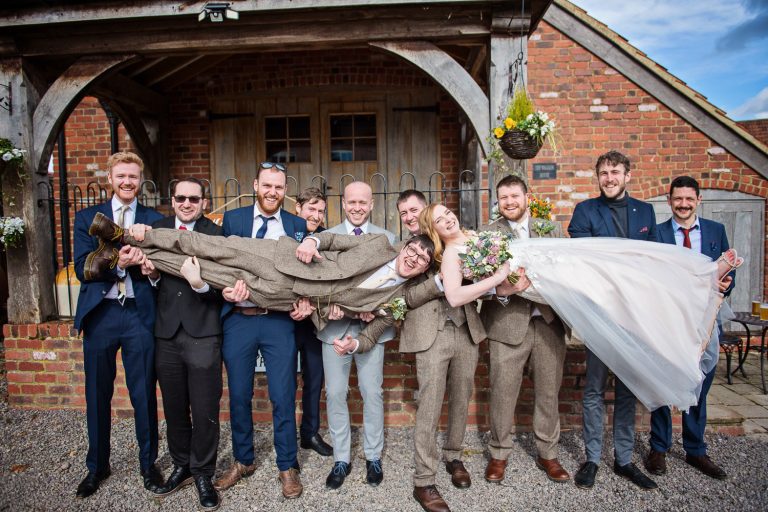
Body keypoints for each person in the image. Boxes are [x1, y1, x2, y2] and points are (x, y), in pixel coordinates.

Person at [419, 201, 739, 479]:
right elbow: (456, 295)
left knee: (609, 273)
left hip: (539, 267)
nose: (447, 219)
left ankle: (701, 279)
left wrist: (503, 279)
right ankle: (686, 301)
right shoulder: (451, 253)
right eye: (439, 219)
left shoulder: (478, 234)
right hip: (532, 283)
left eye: (447, 212)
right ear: (433, 230)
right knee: (602, 290)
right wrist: (500, 282)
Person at [72, 151, 164, 499]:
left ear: (141, 181)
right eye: (121, 176)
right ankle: (97, 466)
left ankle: (148, 464)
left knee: (143, 394)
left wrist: (149, 271)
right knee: (97, 393)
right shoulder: (86, 218)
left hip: (139, 314)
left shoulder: (154, 218)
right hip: (103, 313)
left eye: (133, 177)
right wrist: (117, 262)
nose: (127, 182)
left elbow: (163, 270)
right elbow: (83, 267)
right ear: (110, 179)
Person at [213, 162, 307, 500]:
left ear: (285, 189)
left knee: (283, 395)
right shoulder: (233, 220)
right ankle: (244, 459)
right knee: (238, 394)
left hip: (278, 321)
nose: (272, 192)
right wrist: (224, 290)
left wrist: (306, 300)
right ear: (255, 185)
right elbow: (219, 262)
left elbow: (306, 273)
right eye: (267, 185)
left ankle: (286, 464)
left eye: (279, 187)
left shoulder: (297, 225)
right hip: (238, 318)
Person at [567, 150, 660, 491]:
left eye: (615, 172)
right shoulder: (584, 211)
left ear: (627, 175)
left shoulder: (646, 211)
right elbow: (585, 258)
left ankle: (624, 460)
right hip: (600, 313)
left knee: (626, 391)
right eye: (603, 172)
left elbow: (653, 260)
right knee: (593, 389)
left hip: (634, 316)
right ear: (598, 177)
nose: (609, 177)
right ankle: (592, 458)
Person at [398, 196, 493, 512]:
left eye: (417, 209)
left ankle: (454, 456)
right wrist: (439, 282)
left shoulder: (462, 243)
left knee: (462, 395)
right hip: (431, 335)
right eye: (406, 212)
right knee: (429, 403)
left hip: (466, 328)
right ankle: (423, 481)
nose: (411, 216)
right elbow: (407, 298)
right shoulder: (409, 249)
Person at [480, 175, 570, 485]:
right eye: (503, 197)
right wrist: (502, 290)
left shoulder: (551, 229)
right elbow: (479, 284)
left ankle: (548, 452)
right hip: (506, 324)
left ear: (527, 197)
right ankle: (499, 453)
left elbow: (567, 273)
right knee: (503, 393)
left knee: (548, 391)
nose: (509, 202)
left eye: (514, 196)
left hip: (547, 323)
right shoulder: (488, 235)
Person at [139, 178, 223, 510]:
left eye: (193, 198)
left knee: (205, 409)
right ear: (172, 200)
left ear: (204, 201)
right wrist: (153, 275)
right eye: (180, 198)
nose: (186, 203)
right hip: (167, 334)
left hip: (203, 331)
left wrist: (200, 283)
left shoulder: (216, 235)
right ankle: (182, 464)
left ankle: (203, 472)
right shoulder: (156, 230)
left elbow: (224, 285)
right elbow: (151, 282)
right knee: (174, 407)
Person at [644, 176, 733, 480]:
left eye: (689, 199)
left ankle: (695, 449)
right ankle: (659, 447)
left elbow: (727, 277)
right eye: (677, 199)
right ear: (669, 201)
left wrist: (725, 285)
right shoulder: (656, 234)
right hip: (668, 321)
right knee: (662, 381)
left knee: (701, 381)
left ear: (698, 200)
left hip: (704, 322)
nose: (683, 204)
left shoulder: (715, 232)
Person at [316, 181, 397, 490]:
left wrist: (373, 309)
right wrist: (330, 306)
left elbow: (395, 284)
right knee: (336, 392)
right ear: (344, 202)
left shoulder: (387, 238)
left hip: (372, 328)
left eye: (363, 202)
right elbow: (318, 283)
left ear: (372, 203)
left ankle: (373, 456)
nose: (357, 207)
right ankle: (341, 458)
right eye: (352, 202)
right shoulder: (326, 238)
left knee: (371, 391)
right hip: (335, 329)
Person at [293, 187, 333, 457]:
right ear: (298, 208)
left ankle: (309, 433)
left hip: (315, 321)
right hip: (285, 318)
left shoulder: (326, 237)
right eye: (311, 209)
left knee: (315, 377)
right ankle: (284, 438)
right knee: (284, 381)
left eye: (320, 211)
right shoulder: (284, 231)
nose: (316, 215)